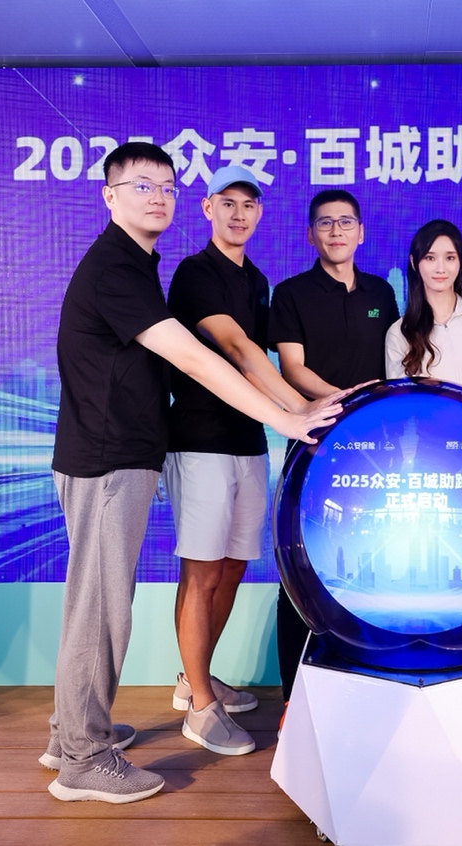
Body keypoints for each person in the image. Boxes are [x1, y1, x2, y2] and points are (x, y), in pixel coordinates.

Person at [45, 143, 338, 804]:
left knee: (97, 603)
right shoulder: (116, 268)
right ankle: (84, 759)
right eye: (141, 185)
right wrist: (288, 418)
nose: (157, 196)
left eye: (165, 186)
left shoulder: (137, 264)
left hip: (121, 453)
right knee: (100, 609)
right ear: (109, 195)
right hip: (106, 457)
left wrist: (288, 413)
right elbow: (201, 359)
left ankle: (72, 735)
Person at [163, 166, 342, 756]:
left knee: (234, 566)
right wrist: (299, 409)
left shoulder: (258, 280)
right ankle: (199, 706)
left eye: (249, 205)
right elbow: (239, 349)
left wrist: (298, 405)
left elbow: (265, 357)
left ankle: (195, 677)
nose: (239, 214)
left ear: (260, 213)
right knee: (202, 572)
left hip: (247, 442)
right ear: (208, 208)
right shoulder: (195, 273)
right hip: (199, 441)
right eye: (228, 203)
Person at [268, 189, 399, 705]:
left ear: (361, 233)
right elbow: (293, 369)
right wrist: (351, 402)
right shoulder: (291, 293)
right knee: (302, 569)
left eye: (346, 222)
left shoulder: (381, 294)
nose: (336, 231)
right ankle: (293, 697)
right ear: (310, 234)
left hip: (376, 448)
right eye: (325, 223)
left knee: (371, 560)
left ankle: (365, 687)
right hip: (316, 439)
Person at [385, 219, 462, 399]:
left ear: (460, 262)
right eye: (430, 258)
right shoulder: (399, 332)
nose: (440, 268)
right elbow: (399, 401)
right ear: (414, 262)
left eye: (450, 258)